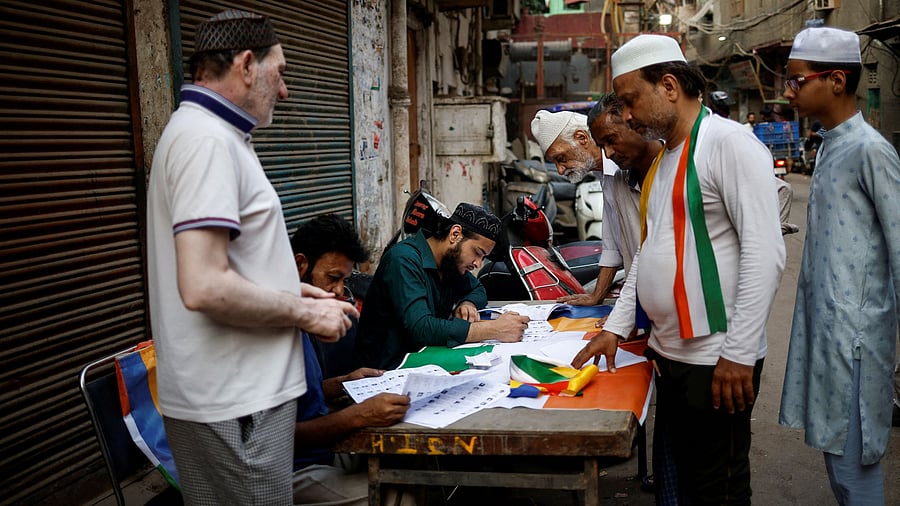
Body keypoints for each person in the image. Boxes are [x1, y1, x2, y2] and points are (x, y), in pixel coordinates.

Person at [146, 10, 358, 504]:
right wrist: (304, 310)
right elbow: (203, 284)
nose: (284, 91)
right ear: (246, 64)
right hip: (236, 403)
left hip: (237, 399)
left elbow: (233, 267)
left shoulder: (213, 134)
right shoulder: (206, 141)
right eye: (279, 72)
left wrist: (293, 290)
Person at [572, 34, 786, 505]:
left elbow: (765, 252)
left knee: (719, 487)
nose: (625, 115)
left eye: (630, 100)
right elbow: (648, 254)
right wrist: (615, 327)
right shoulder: (668, 158)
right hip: (673, 357)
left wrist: (739, 353)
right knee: (690, 483)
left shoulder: (729, 144)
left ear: (669, 86)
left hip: (716, 358)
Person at [778, 26, 900, 505]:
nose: (790, 90)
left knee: (855, 469)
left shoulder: (871, 150)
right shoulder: (830, 144)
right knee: (838, 465)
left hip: (856, 338)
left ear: (835, 81)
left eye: (797, 80)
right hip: (827, 331)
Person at [289, 215, 412, 505]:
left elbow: (303, 394)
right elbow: (280, 435)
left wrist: (345, 382)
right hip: (290, 469)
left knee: (412, 462)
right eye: (332, 278)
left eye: (344, 280)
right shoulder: (276, 325)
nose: (339, 291)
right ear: (300, 265)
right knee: (399, 494)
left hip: (323, 450)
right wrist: (361, 415)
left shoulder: (305, 315)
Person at [353, 203, 530, 370]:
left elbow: (477, 289)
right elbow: (422, 328)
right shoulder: (403, 260)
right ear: (455, 234)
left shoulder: (450, 264)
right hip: (387, 369)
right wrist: (493, 329)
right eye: (477, 253)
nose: (478, 263)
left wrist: (468, 303)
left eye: (483, 258)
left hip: (427, 358)